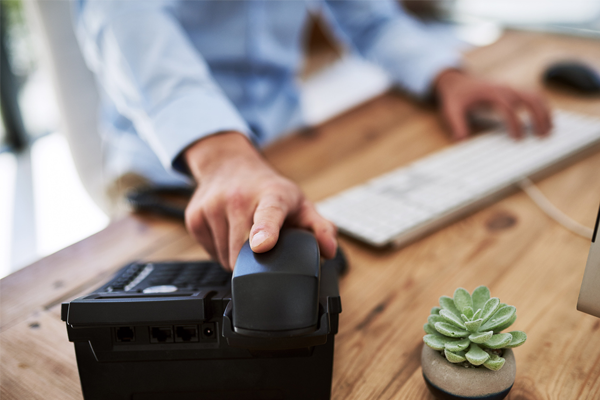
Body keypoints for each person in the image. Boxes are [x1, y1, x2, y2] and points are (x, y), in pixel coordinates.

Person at [74, 0, 552, 271]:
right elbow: (118, 15)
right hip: (170, 168)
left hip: (288, 152)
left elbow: (368, 17)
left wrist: (445, 74)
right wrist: (221, 156)